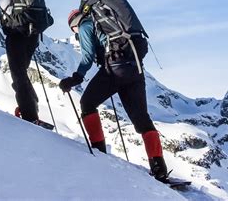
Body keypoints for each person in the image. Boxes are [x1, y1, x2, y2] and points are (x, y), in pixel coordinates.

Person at [59, 9, 168, 182]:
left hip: (115, 69)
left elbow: (87, 57)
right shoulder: (109, 25)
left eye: (73, 30)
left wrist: (75, 78)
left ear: (74, 24)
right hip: (135, 69)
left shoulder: (86, 25)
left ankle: (98, 150)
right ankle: (159, 169)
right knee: (141, 118)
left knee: (87, 103)